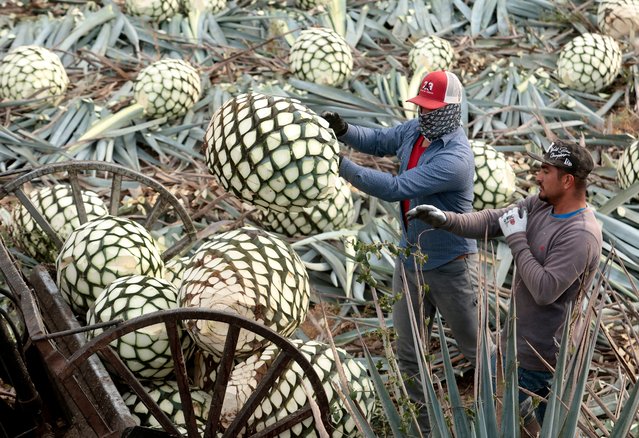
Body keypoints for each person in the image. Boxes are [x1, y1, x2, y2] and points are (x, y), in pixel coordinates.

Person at [322, 70, 479, 436]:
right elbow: (378, 140)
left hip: (450, 269)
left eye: (431, 109)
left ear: (451, 110)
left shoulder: (455, 159)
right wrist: (343, 131)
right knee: (410, 354)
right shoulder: (415, 131)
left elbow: (396, 188)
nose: (424, 114)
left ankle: (523, 418)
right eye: (421, 107)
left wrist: (340, 164)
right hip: (410, 261)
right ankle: (426, 429)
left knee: (478, 352)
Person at [407, 139, 603, 429]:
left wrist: (517, 240)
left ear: (567, 180)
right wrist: (446, 220)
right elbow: (494, 220)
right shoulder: (539, 205)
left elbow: (545, 290)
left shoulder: (581, 234)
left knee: (546, 431)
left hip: (544, 365)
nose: (537, 176)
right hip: (511, 350)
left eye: (545, 171)